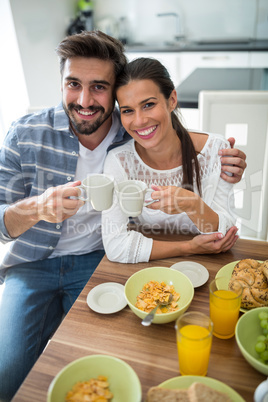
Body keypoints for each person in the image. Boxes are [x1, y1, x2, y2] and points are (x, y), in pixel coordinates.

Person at [0, 31, 246, 401]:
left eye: (99, 87)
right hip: (32, 265)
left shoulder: (129, 131)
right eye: (73, 84)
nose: (84, 100)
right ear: (61, 83)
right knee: (8, 376)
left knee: (105, 362)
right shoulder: (25, 133)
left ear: (113, 92)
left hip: (94, 261)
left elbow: (169, 134)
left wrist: (224, 158)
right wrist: (36, 208)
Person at [102, 57, 240, 263]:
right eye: (128, 110)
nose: (139, 121)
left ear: (172, 100)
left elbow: (226, 233)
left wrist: (193, 204)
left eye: (148, 104)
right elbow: (115, 247)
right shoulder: (119, 161)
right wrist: (188, 247)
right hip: (151, 268)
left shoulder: (216, 150)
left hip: (209, 264)